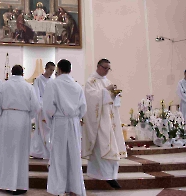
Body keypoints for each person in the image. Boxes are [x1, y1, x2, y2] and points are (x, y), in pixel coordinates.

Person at [0, 65, 40, 195]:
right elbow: (35, 107)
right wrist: (28, 117)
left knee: (6, 151)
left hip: (7, 119)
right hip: (23, 120)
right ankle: (20, 185)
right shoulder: (28, 87)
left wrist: (1, 116)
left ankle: (6, 184)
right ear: (22, 73)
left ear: (12, 73)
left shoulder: (3, 86)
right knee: (22, 153)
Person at [43, 59, 87, 196]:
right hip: (73, 122)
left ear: (59, 69)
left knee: (58, 156)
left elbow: (48, 107)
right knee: (74, 156)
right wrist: (75, 117)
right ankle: (75, 188)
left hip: (60, 122)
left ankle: (58, 189)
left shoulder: (53, 84)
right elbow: (83, 108)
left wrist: (51, 120)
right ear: (70, 70)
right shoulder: (77, 86)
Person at [82, 59, 126, 189]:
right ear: (98, 67)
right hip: (99, 121)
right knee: (102, 147)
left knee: (113, 147)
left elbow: (110, 99)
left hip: (110, 119)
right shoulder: (91, 82)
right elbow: (90, 99)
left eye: (109, 69)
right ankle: (104, 175)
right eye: (105, 68)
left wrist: (115, 95)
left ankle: (111, 176)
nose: (107, 71)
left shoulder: (107, 81)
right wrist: (106, 91)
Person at [30, 61, 55, 159]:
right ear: (46, 68)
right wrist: (42, 106)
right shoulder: (38, 80)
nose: (51, 72)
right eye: (50, 70)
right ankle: (39, 151)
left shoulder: (53, 81)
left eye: (53, 70)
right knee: (40, 131)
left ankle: (49, 150)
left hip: (50, 110)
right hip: (41, 109)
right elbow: (36, 95)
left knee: (49, 131)